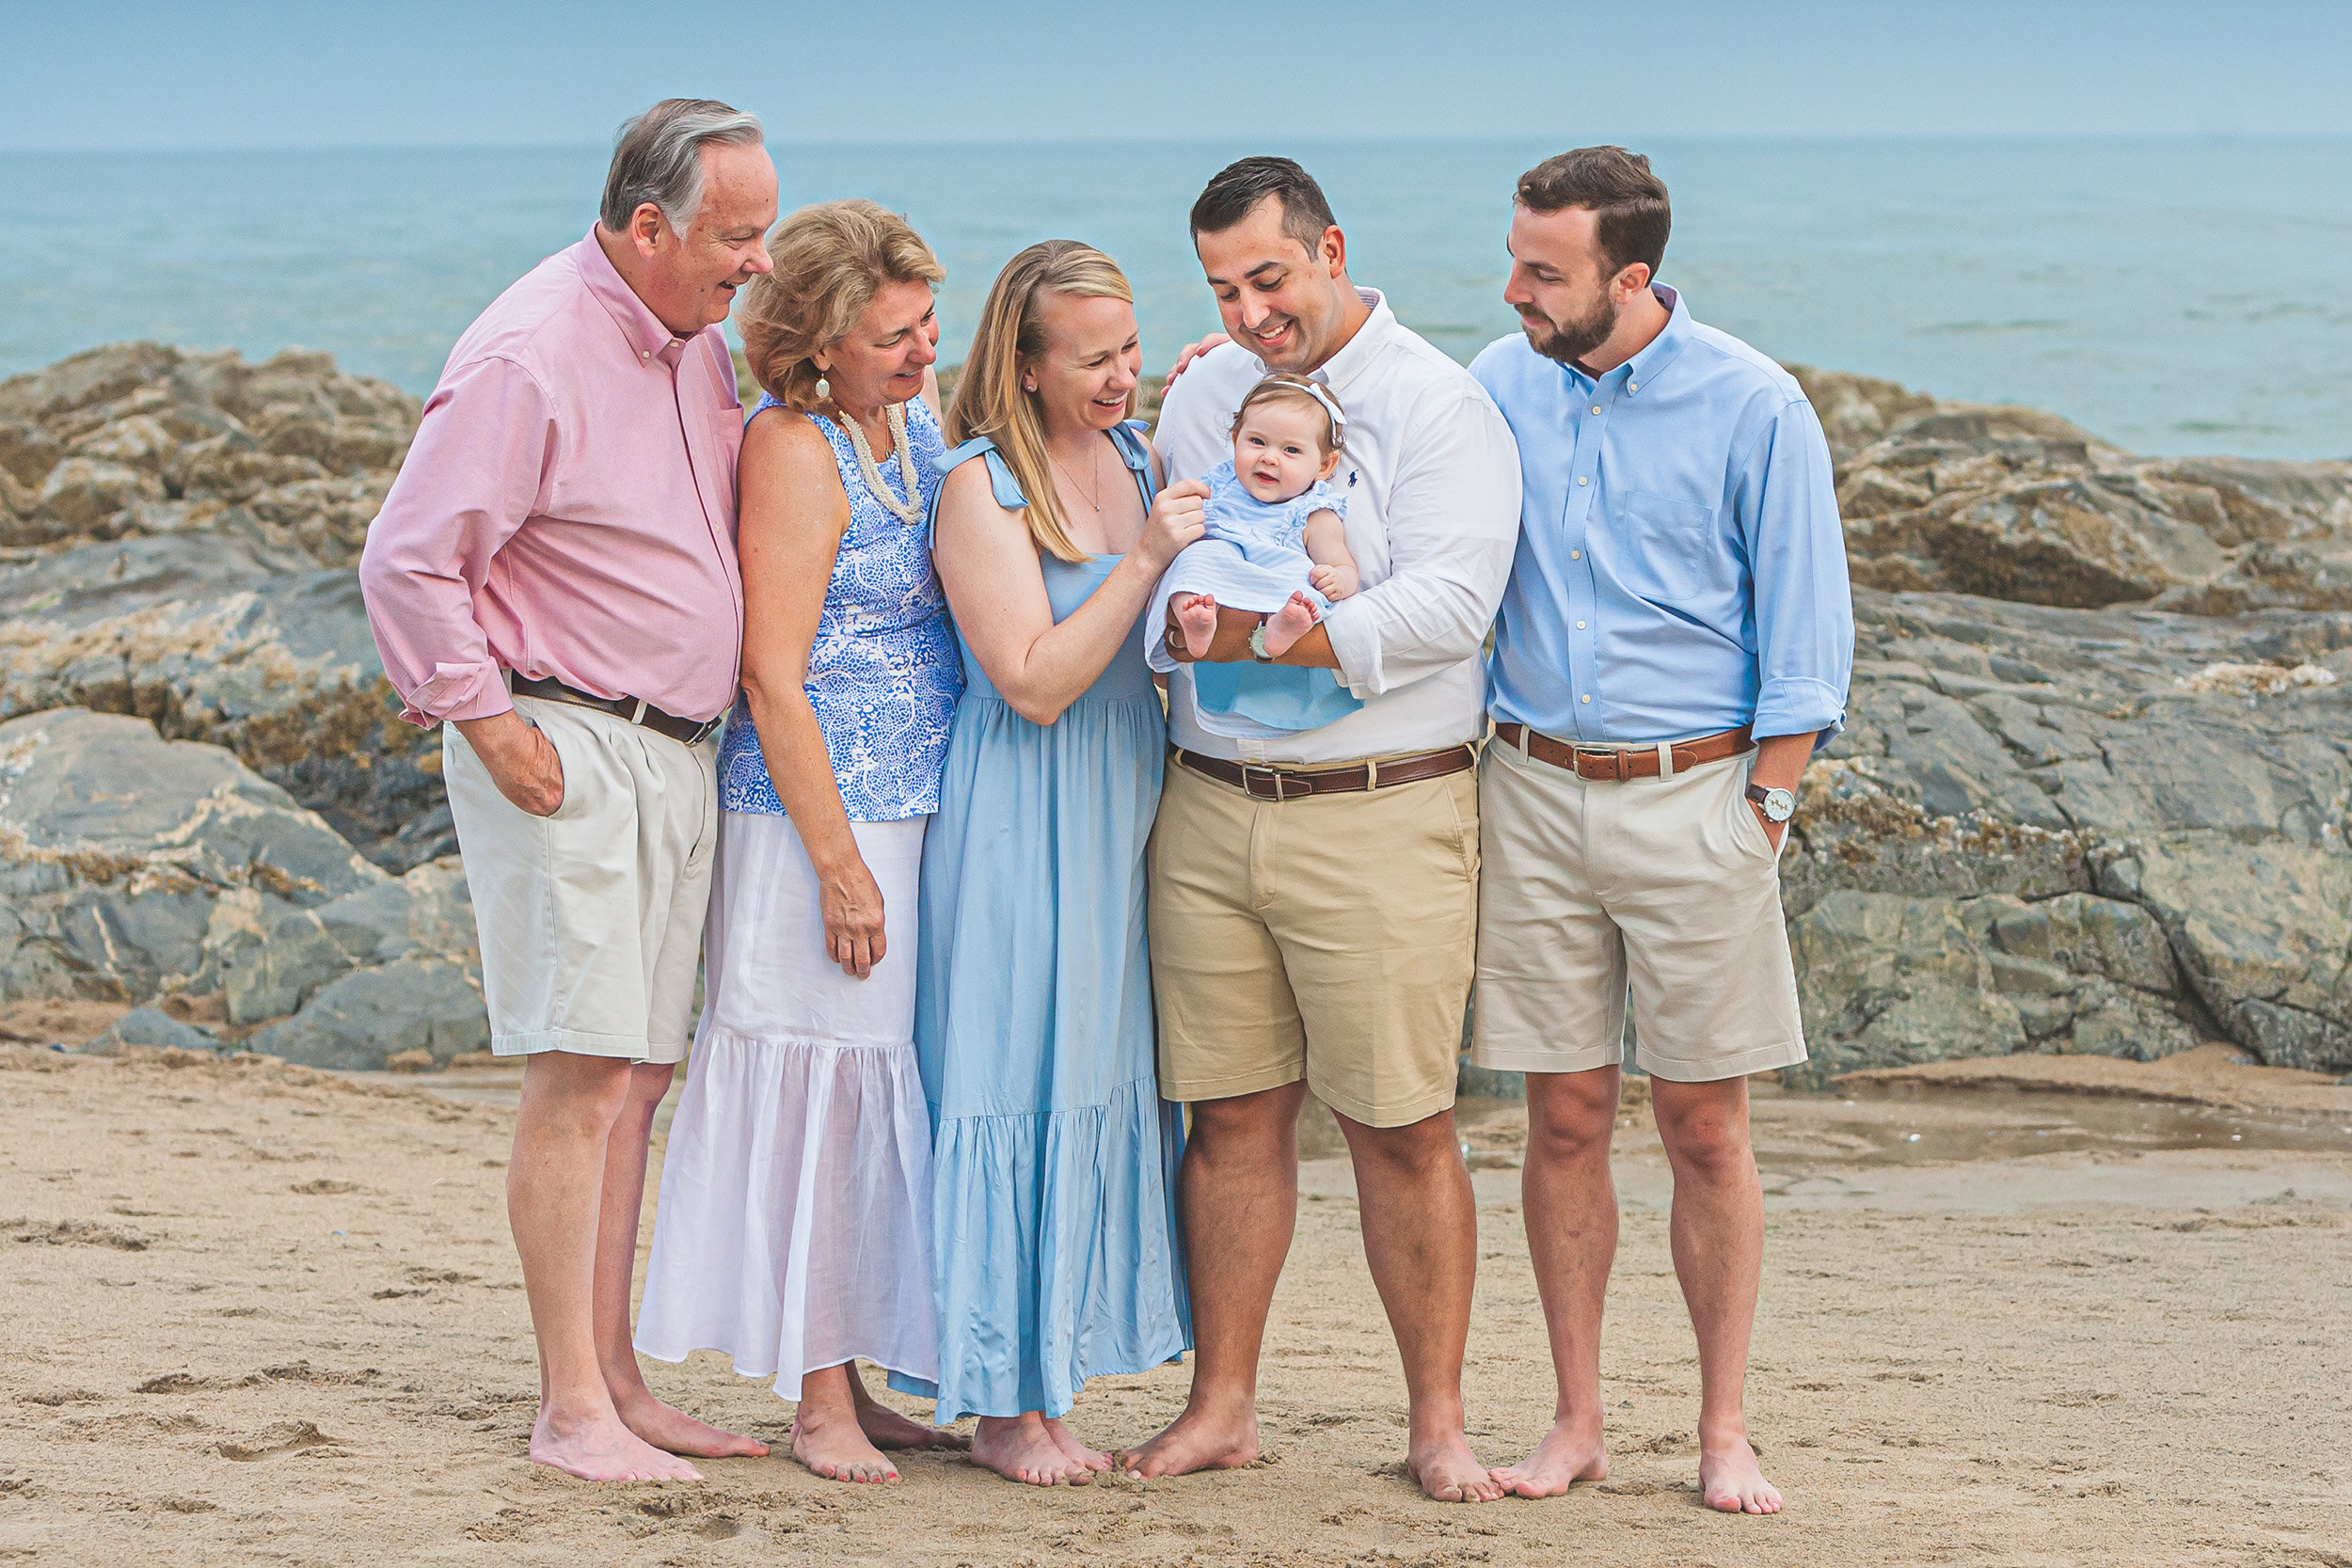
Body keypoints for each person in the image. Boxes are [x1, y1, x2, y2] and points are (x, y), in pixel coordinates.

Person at [357, 99, 778, 1482]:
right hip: (569, 742)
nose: (756, 262)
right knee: (584, 1071)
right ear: (648, 225)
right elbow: (409, 558)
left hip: (674, 748)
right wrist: (487, 723)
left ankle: (617, 1378)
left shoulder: (691, 338)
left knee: (640, 1074)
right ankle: (567, 1408)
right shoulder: (529, 351)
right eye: (737, 235)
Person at [1120, 157, 1522, 1504]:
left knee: (1402, 1123)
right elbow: (1174, 559)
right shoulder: (1198, 395)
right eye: (1225, 289)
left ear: (1332, 248)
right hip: (1210, 809)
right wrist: (1192, 634)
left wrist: (1291, 638)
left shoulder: (1438, 404)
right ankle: (1222, 1404)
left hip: (1381, 812)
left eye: (1270, 278)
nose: (1249, 313)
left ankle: (1440, 1422)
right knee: (1226, 1118)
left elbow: (1455, 603)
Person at [1466, 146, 1852, 1514]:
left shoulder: (1755, 404)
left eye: (1543, 271)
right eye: (1515, 258)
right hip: (1530, 789)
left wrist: (1766, 807)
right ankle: (1576, 1418)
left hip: (1702, 797)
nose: (1514, 289)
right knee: (1561, 1116)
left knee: (1703, 1124)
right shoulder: (1495, 384)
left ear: (1630, 277)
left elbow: (1809, 645)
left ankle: (1723, 1427)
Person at [631, 200, 968, 1485]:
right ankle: (817, 1391)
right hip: (807, 818)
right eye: (894, 333)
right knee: (825, 1094)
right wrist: (838, 863)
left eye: (929, 323)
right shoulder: (793, 446)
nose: (921, 349)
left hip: (915, 798)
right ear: (820, 341)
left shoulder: (908, 425)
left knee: (883, 1086)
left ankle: (863, 1369)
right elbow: (775, 673)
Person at [898, 240, 1203, 1487]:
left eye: (1132, 351)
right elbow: (1028, 682)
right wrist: (1141, 566)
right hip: (1021, 813)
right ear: (1023, 367)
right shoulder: (982, 487)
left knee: (1091, 1072)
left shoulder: (1137, 455)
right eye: (1093, 359)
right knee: (1009, 1072)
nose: (1122, 375)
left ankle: (1053, 1375)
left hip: (1122, 806)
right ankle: (999, 1398)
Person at [1158, 372, 1359, 666]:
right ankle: (1196, 619)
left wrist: (1338, 579)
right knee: (1194, 559)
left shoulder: (1315, 512)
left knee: (1305, 591)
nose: (1269, 458)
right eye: (1257, 441)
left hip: (1275, 581)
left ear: (1324, 465)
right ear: (1236, 440)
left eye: (1291, 450)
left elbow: (1344, 566)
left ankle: (1280, 629)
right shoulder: (1220, 484)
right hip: (1220, 575)